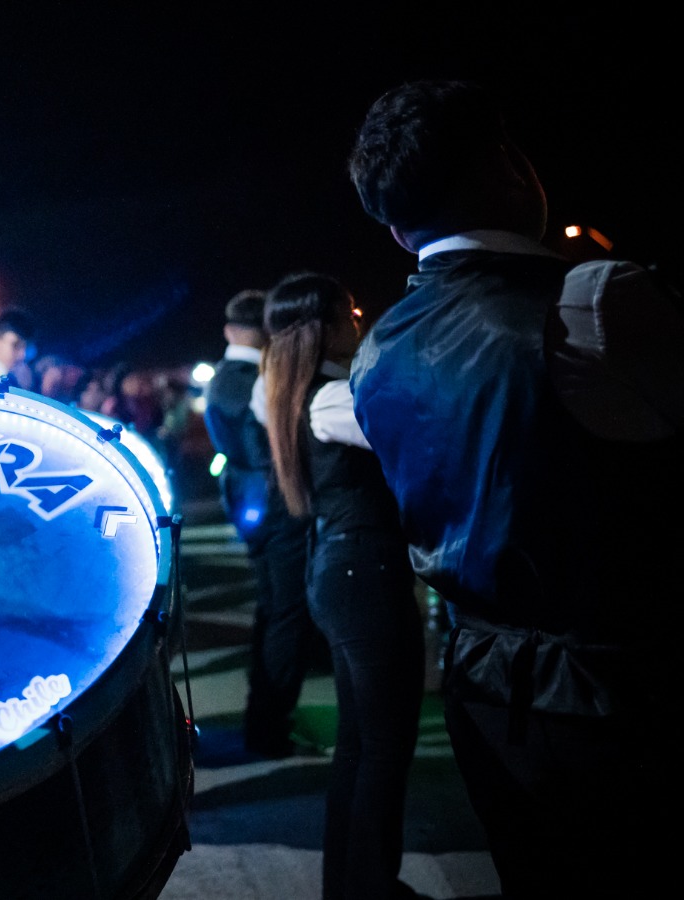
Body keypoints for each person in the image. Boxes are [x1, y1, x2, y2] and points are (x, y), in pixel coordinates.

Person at [347, 79, 682, 897]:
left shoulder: (376, 348)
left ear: (396, 229)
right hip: (617, 693)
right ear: (510, 166)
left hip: (483, 694)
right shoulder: (592, 302)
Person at [259, 273, 423, 900]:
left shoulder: (303, 393)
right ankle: (372, 885)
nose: (359, 320)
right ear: (323, 326)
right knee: (383, 747)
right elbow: (407, 437)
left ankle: (352, 883)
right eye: (351, 310)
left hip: (346, 570)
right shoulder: (331, 399)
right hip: (364, 574)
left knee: (360, 745)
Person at [202, 289, 313, 758]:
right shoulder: (260, 377)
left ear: (230, 330)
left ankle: (263, 720)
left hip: (244, 501)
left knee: (272, 609)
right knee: (287, 613)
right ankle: (270, 727)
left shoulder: (221, 376)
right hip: (275, 503)